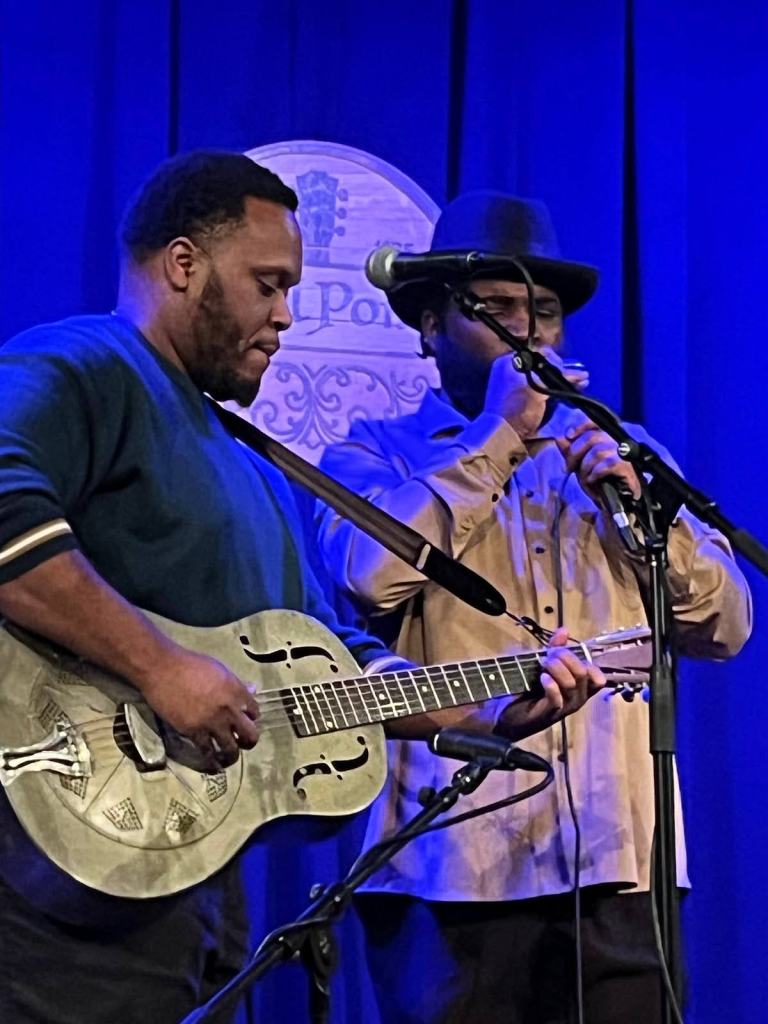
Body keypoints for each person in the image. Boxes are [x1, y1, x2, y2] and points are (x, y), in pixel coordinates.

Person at [0, 159, 601, 1024]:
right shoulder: (88, 364)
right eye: (268, 284)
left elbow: (331, 652)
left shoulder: (249, 460)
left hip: (187, 884)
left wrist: (484, 711)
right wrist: (161, 667)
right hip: (60, 873)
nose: (285, 315)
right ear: (182, 265)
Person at [316, 191, 752, 1024]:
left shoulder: (623, 450)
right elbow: (369, 578)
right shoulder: (370, 451)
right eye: (497, 311)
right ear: (431, 326)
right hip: (449, 866)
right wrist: (497, 437)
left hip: (622, 865)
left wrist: (638, 515)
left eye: (544, 313)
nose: (530, 335)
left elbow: (726, 627)